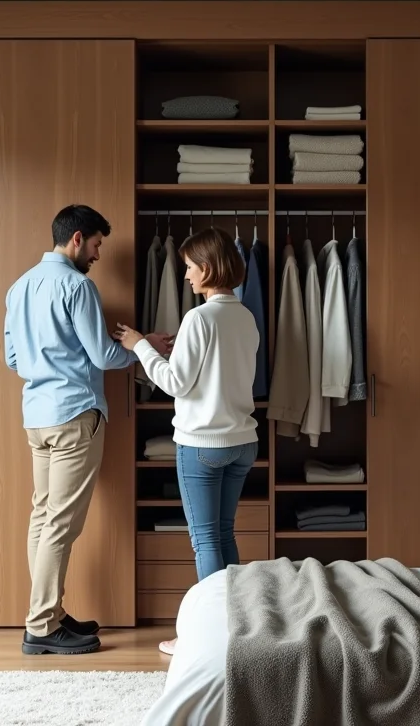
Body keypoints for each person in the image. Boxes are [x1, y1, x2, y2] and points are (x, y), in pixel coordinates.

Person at [6, 204, 172, 655]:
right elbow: (103, 355)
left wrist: (47, 368)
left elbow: (14, 360)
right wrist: (143, 348)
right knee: (60, 522)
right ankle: (41, 625)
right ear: (77, 238)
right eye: (97, 244)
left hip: (37, 416)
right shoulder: (78, 287)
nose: (99, 254)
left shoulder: (19, 287)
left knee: (43, 516)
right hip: (75, 413)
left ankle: (50, 614)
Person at [114, 227, 259, 656]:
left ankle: (205, 636)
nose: (186, 277)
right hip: (242, 442)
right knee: (224, 534)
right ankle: (233, 626)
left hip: (203, 444)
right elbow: (219, 369)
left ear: (208, 268)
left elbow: (176, 383)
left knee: (205, 541)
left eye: (190, 268)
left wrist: (141, 345)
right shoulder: (245, 316)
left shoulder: (199, 318)